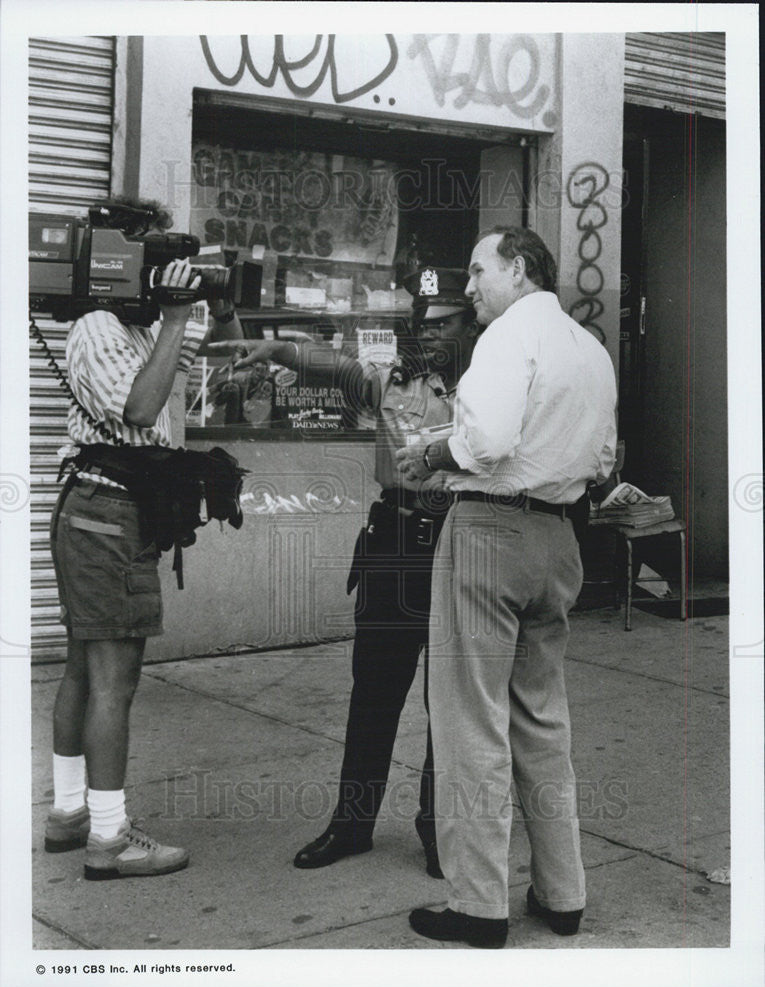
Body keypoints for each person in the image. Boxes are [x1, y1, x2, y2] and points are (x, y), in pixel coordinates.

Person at [396, 226, 617, 948]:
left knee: (470, 721)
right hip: (558, 536)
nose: (467, 286)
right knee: (542, 719)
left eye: (476, 270)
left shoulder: (505, 337)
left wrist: (429, 450)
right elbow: (605, 458)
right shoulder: (588, 347)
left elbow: (483, 443)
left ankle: (479, 905)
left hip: (489, 529)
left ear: (517, 270)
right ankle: (562, 894)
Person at [233, 268, 481, 876]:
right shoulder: (396, 377)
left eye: (445, 323)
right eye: (423, 323)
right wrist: (276, 347)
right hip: (394, 540)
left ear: (471, 323)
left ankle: (435, 828)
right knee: (374, 692)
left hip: (459, 540)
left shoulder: (492, 385)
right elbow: (335, 363)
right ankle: (352, 825)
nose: (430, 335)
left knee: (446, 700)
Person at [44, 197, 243, 880]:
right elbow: (138, 408)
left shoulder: (138, 324)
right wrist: (178, 315)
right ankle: (108, 837)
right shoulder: (98, 325)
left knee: (82, 668)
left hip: (109, 513)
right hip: (105, 516)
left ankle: (70, 813)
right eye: (148, 251)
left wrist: (201, 298)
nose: (157, 265)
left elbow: (198, 346)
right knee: (111, 681)